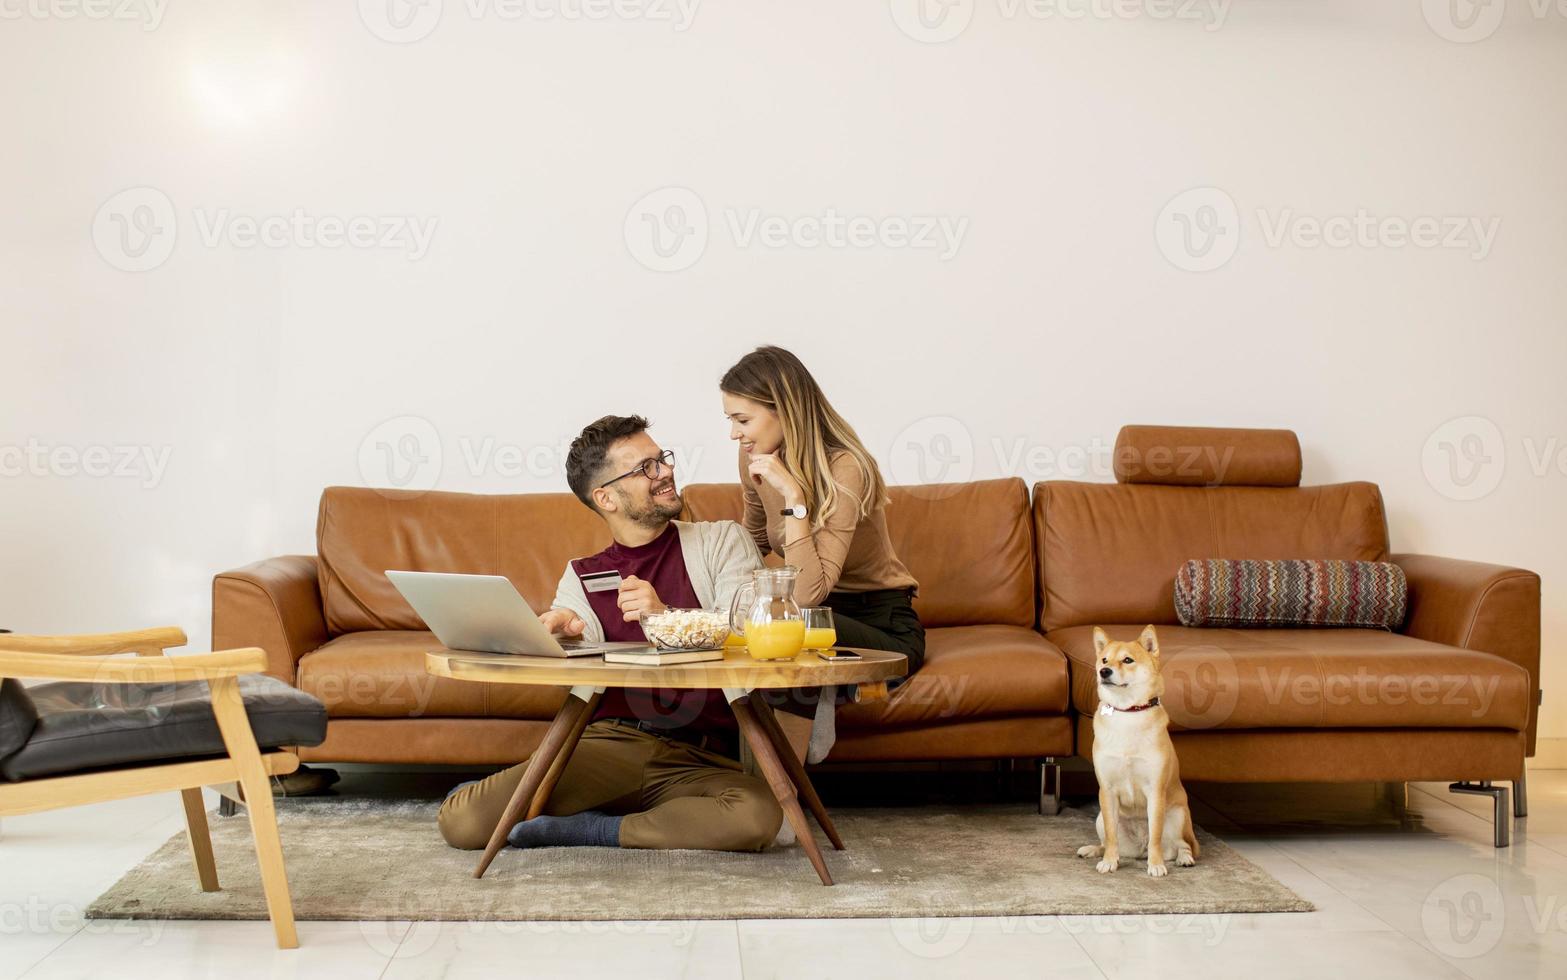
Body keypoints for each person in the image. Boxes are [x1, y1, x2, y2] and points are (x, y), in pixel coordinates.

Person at [437, 415, 783, 854]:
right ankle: (526, 798)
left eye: (662, 460)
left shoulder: (721, 541)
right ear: (606, 497)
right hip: (611, 744)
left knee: (757, 818)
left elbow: (750, 631)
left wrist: (666, 616)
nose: (666, 472)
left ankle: (584, 829)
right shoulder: (581, 576)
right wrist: (559, 639)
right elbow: (576, 664)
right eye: (646, 469)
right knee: (463, 823)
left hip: (699, 757)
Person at [721, 346, 926, 757]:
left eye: (743, 420)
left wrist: (794, 496)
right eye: (730, 421)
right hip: (813, 617)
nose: (734, 434)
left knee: (786, 633)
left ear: (784, 409)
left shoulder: (846, 466)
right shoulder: (753, 461)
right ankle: (819, 693)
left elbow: (810, 592)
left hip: (881, 624)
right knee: (749, 633)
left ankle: (781, 807)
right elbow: (753, 543)